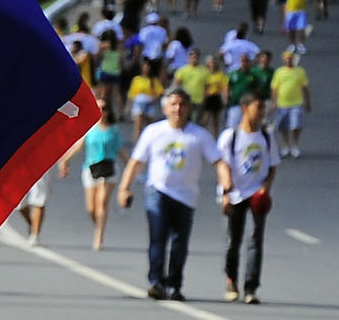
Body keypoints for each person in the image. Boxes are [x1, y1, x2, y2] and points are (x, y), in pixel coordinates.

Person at [117, 88, 230, 301]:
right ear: (165, 108)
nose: (178, 109)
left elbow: (219, 162)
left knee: (180, 243)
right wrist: (125, 188)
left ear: (189, 108)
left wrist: (227, 188)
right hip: (158, 191)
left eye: (182, 104)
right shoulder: (153, 131)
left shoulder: (199, 135)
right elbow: (136, 162)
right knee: (158, 237)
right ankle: (157, 282)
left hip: (186, 195)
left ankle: (174, 285)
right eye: (173, 104)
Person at [217, 93, 280, 303]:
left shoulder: (266, 137)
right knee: (233, 240)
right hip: (235, 194)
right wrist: (225, 194)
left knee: (255, 240)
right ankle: (231, 280)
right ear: (245, 108)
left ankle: (251, 287)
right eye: (258, 107)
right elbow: (222, 166)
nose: (261, 112)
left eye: (263, 108)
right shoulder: (230, 136)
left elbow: (272, 166)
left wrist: (265, 188)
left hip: (256, 195)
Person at [60, 97, 124, 250]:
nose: (102, 112)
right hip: (90, 169)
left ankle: (99, 237)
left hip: (108, 168)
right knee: (91, 208)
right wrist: (64, 161)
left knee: (102, 203)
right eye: (99, 108)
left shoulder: (114, 130)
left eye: (105, 108)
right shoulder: (90, 129)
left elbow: (121, 151)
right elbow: (78, 146)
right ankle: (99, 226)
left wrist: (130, 168)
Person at [271, 48, 311, 156]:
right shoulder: (279, 72)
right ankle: (285, 145)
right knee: (283, 126)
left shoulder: (300, 71)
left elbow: (305, 87)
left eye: (290, 59)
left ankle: (295, 145)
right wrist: (274, 102)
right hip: (282, 104)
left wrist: (307, 102)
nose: (288, 60)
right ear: (284, 60)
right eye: (287, 59)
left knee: (296, 125)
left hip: (296, 103)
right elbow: (274, 88)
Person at [126, 57, 164, 139]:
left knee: (149, 127)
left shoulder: (153, 80)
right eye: (144, 67)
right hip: (138, 103)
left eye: (147, 67)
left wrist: (153, 98)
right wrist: (128, 107)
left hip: (149, 103)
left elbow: (160, 92)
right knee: (138, 126)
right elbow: (131, 94)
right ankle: (137, 144)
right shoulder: (137, 79)